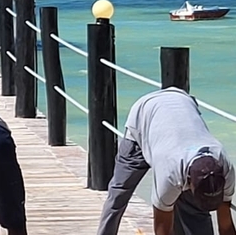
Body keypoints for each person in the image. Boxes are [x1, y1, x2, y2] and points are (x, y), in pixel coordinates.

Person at [96, 87, 236, 235]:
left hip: (182, 103)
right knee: (119, 194)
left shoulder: (225, 169)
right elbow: (163, 229)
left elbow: (226, 226)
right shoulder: (169, 176)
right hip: (144, 116)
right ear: (188, 181)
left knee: (194, 213)